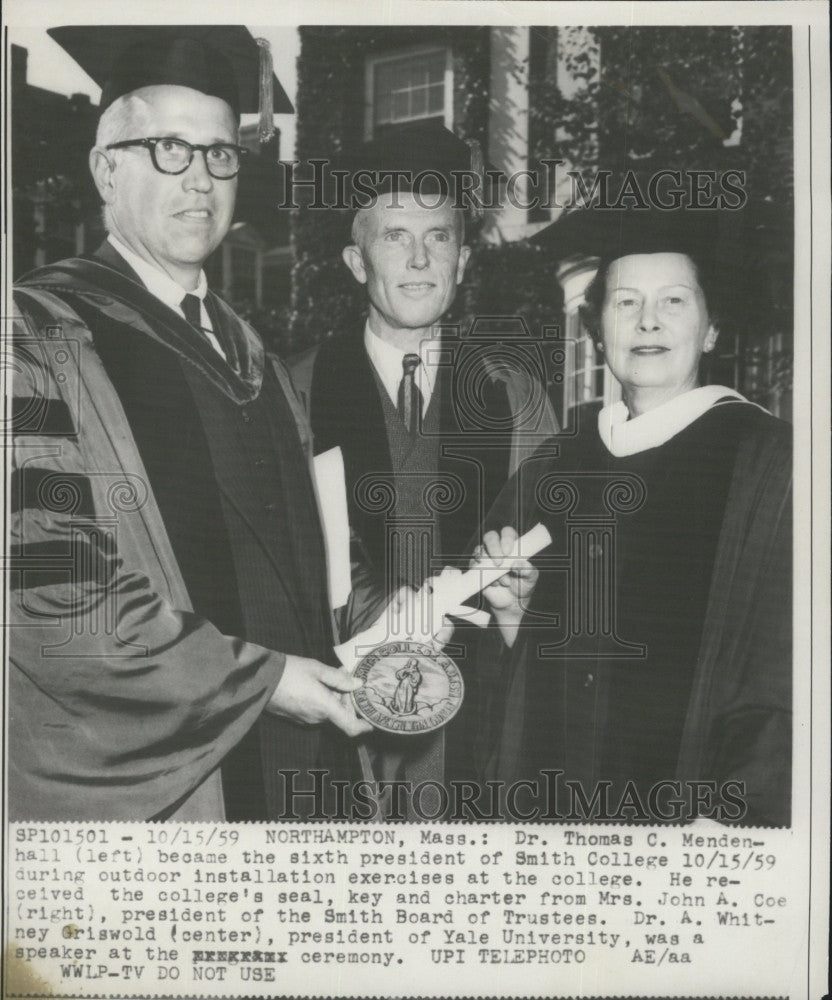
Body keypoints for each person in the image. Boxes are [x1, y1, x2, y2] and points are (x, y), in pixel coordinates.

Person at [9, 26, 375, 823]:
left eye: (219, 154)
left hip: (295, 779)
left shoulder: (259, 361)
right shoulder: (34, 336)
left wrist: (393, 620)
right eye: (166, 148)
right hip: (169, 794)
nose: (200, 178)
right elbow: (51, 594)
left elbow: (305, 575)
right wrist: (264, 680)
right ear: (107, 168)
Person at [467, 211, 791, 826]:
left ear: (712, 327)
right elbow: (510, 677)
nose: (648, 321)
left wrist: (731, 815)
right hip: (554, 810)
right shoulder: (554, 462)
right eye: (625, 303)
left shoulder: (768, 463)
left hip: (696, 824)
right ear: (597, 330)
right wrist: (514, 617)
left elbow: (783, 669)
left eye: (674, 300)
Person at [288, 122, 559, 805]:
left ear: (463, 261)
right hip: (337, 741)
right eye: (394, 237)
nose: (417, 260)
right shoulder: (292, 396)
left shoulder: (517, 401)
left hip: (480, 746)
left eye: (438, 237)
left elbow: (556, 597)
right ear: (357, 262)